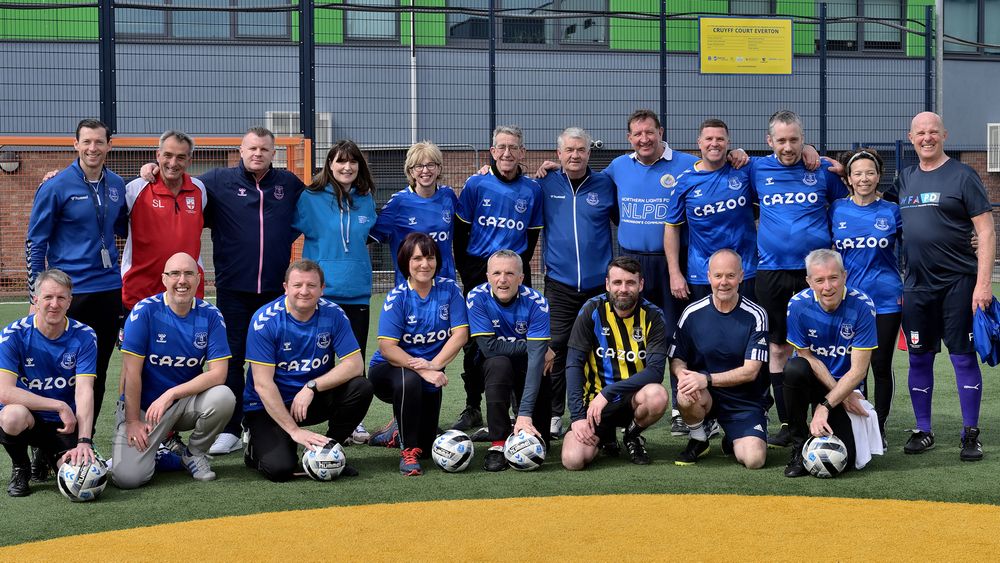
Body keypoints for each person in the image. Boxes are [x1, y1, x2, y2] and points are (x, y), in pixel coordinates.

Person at [143, 127, 306, 456]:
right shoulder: (217, 181)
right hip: (233, 289)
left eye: (264, 149)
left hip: (276, 291)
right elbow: (179, 185)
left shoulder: (288, 184)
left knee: (271, 360)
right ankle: (231, 427)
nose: (257, 154)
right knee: (230, 360)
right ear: (240, 150)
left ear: (273, 153)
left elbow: (319, 201)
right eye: (251, 148)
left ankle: (264, 421)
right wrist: (151, 171)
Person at [890, 111, 995, 461]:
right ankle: (923, 430)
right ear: (911, 137)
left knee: (963, 358)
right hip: (917, 287)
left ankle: (970, 433)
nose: (927, 138)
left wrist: (983, 284)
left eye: (933, 132)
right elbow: (866, 194)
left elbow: (986, 230)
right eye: (920, 133)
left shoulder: (963, 175)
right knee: (919, 359)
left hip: (959, 285)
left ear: (944, 135)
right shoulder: (904, 179)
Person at [748, 110, 848, 447]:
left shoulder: (819, 169)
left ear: (803, 139)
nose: (788, 147)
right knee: (777, 347)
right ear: (769, 141)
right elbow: (729, 167)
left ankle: (828, 412)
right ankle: (790, 423)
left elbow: (846, 202)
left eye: (794, 139)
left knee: (817, 345)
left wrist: (825, 158)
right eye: (782, 140)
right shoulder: (756, 168)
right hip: (772, 272)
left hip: (815, 275)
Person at [26, 119, 127, 437]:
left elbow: (123, 226)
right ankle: (47, 446)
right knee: (56, 372)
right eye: (87, 142)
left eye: (99, 142)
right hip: (69, 294)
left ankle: (86, 440)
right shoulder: (55, 185)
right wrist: (35, 295)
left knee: (95, 373)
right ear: (75, 144)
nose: (93, 148)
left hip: (108, 290)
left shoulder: (117, 185)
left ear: (109, 145)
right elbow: (35, 241)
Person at [242, 260, 374, 482]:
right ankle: (254, 448)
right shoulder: (264, 321)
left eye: (311, 286)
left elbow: (355, 364)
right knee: (280, 470)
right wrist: (295, 432)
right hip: (268, 405)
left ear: (322, 289)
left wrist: (312, 386)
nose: (304, 291)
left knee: (361, 387)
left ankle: (329, 452)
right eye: (297, 285)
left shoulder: (334, 314)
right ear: (285, 287)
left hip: (310, 399)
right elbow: (263, 385)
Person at [111, 253, 235, 488]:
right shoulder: (144, 312)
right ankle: (160, 452)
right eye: (175, 274)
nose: (182, 280)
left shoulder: (210, 315)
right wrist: (133, 420)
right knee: (127, 478)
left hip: (182, 403)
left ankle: (194, 453)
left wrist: (171, 394)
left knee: (223, 397)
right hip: (145, 408)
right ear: (164, 279)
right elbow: (130, 374)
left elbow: (219, 374)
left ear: (199, 279)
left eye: (189, 273)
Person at [452, 126, 543, 432]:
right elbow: (460, 232)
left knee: (518, 334)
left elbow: (531, 237)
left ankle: (520, 407)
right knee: (473, 344)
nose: (507, 153)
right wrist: (469, 272)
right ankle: (472, 406)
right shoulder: (476, 184)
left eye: (513, 147)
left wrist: (517, 268)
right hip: (479, 269)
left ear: (522, 152)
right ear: (492, 151)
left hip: (514, 269)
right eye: (501, 147)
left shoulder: (532, 190)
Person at [537, 127, 617, 439]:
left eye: (581, 150)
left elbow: (625, 222)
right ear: (558, 154)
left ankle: (601, 414)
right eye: (569, 150)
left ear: (589, 153)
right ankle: (556, 413)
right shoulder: (544, 184)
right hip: (559, 284)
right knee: (554, 350)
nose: (575, 155)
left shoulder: (605, 184)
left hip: (599, 287)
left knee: (600, 349)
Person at [368, 233, 469, 475]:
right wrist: (424, 370)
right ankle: (407, 452)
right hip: (389, 372)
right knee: (410, 379)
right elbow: (387, 348)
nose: (425, 264)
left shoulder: (449, 290)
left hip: (429, 371)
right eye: (417, 258)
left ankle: (394, 434)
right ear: (406, 263)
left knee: (426, 443)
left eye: (430, 257)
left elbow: (461, 334)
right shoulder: (398, 297)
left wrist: (434, 366)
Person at [561, 257, 668, 470]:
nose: (624, 289)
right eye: (617, 283)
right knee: (573, 460)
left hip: (633, 400)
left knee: (657, 396)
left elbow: (655, 372)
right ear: (608, 284)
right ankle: (604, 436)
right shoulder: (591, 310)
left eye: (630, 283)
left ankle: (632, 435)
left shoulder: (654, 316)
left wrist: (608, 392)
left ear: (641, 285)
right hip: (595, 406)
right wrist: (578, 417)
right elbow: (574, 364)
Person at [782, 249, 880, 478]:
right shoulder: (797, 305)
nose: (828, 287)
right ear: (809, 281)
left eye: (833, 278)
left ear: (844, 276)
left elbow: (858, 370)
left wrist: (826, 406)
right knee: (794, 368)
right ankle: (798, 447)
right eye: (819, 280)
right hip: (816, 382)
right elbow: (806, 356)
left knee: (847, 460)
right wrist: (829, 402)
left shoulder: (863, 306)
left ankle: (821, 430)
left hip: (848, 385)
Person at [0, 269, 98, 497]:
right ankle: (21, 467)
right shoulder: (13, 335)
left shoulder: (84, 335)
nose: (54, 304)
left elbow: (85, 390)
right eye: (48, 297)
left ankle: (46, 454)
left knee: (77, 477)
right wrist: (59, 405)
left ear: (69, 301)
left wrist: (84, 441)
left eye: (61, 298)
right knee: (11, 416)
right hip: (29, 418)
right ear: (35, 299)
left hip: (63, 425)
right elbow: (4, 392)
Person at [669, 250, 768, 469]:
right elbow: (677, 358)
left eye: (730, 276)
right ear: (708, 277)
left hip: (743, 402)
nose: (724, 282)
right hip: (704, 396)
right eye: (718, 276)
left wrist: (707, 379)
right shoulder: (692, 313)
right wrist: (683, 375)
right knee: (685, 392)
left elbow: (751, 371)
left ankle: (733, 438)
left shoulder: (756, 315)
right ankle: (698, 438)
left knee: (754, 460)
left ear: (741, 276)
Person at [830, 148, 902, 440]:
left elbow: (922, 238)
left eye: (869, 173)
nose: (864, 178)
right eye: (857, 173)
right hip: (848, 302)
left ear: (879, 176)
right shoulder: (836, 209)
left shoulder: (892, 211)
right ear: (848, 177)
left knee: (880, 364)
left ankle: (879, 427)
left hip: (886, 299)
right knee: (853, 368)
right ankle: (860, 425)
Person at [466, 250, 552, 471]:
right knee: (499, 363)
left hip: (526, 365)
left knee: (543, 444)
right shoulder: (477, 297)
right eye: (496, 273)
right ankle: (497, 443)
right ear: (487, 276)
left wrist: (525, 414)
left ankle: (519, 422)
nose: (502, 279)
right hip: (487, 366)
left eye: (509, 273)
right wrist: (535, 346)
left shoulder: (537, 302)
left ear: (521, 278)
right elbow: (490, 348)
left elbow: (536, 360)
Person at [665, 119, 757, 302]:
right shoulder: (684, 182)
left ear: (728, 143)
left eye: (720, 139)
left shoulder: (744, 170)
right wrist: (674, 273)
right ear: (699, 142)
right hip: (702, 273)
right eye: (709, 139)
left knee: (745, 326)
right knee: (705, 328)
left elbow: (780, 160)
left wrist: (808, 148)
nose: (714, 144)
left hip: (744, 270)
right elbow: (671, 227)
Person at [121, 130, 207, 313]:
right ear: (158, 155)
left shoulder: (200, 190)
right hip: (140, 292)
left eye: (181, 157)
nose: (173, 163)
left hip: (186, 292)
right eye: (167, 155)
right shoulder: (134, 188)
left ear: (189, 160)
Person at [370, 141, 459, 286]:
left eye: (431, 165)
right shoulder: (398, 203)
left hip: (444, 283)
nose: (425, 171)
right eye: (419, 166)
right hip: (410, 286)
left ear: (438, 169)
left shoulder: (448, 195)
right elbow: (370, 236)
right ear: (411, 171)